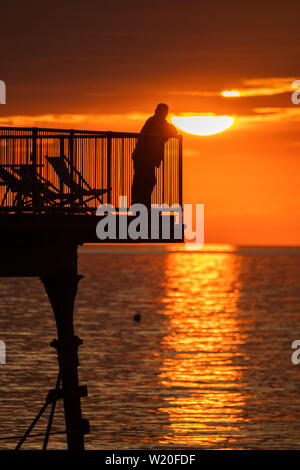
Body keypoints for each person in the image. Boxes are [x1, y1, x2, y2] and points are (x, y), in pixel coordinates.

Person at [131, 103, 177, 207]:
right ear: (157, 111)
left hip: (148, 158)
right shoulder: (152, 122)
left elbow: (173, 131)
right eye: (162, 112)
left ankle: (142, 204)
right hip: (143, 157)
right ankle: (139, 205)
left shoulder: (160, 122)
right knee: (143, 181)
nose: (163, 114)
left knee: (148, 181)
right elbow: (166, 131)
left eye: (165, 112)